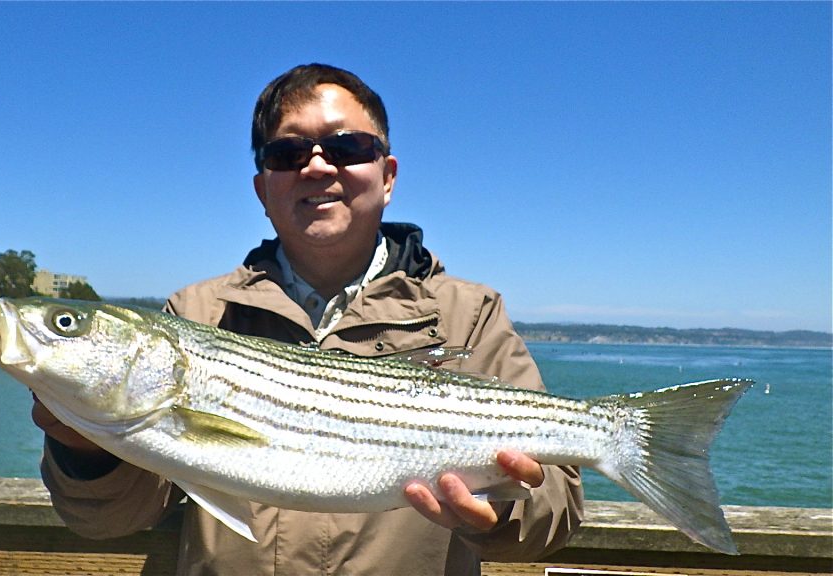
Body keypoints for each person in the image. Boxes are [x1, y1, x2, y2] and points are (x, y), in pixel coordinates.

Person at [34, 63, 583, 575]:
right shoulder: (196, 315)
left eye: (347, 147)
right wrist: (81, 447)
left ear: (387, 176)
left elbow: (556, 504)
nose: (317, 166)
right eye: (287, 153)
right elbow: (108, 521)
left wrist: (505, 516)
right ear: (262, 190)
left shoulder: (470, 315)